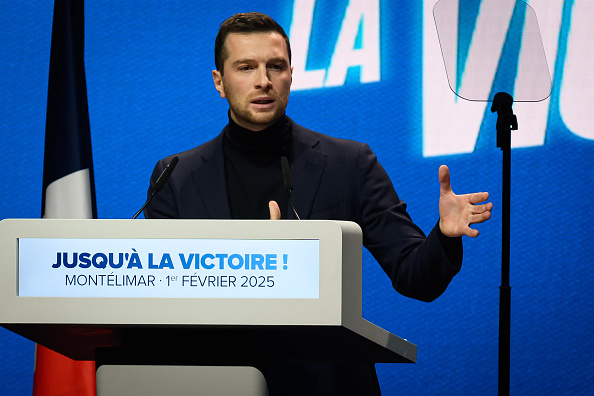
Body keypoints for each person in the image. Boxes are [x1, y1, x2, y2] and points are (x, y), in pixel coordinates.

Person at [144, 11, 492, 396]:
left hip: (328, 383)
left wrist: (443, 236)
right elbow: (156, 299)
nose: (263, 80)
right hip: (215, 381)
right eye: (246, 67)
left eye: (275, 66)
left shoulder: (349, 164)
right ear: (219, 82)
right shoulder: (176, 176)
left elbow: (415, 277)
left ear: (290, 76)